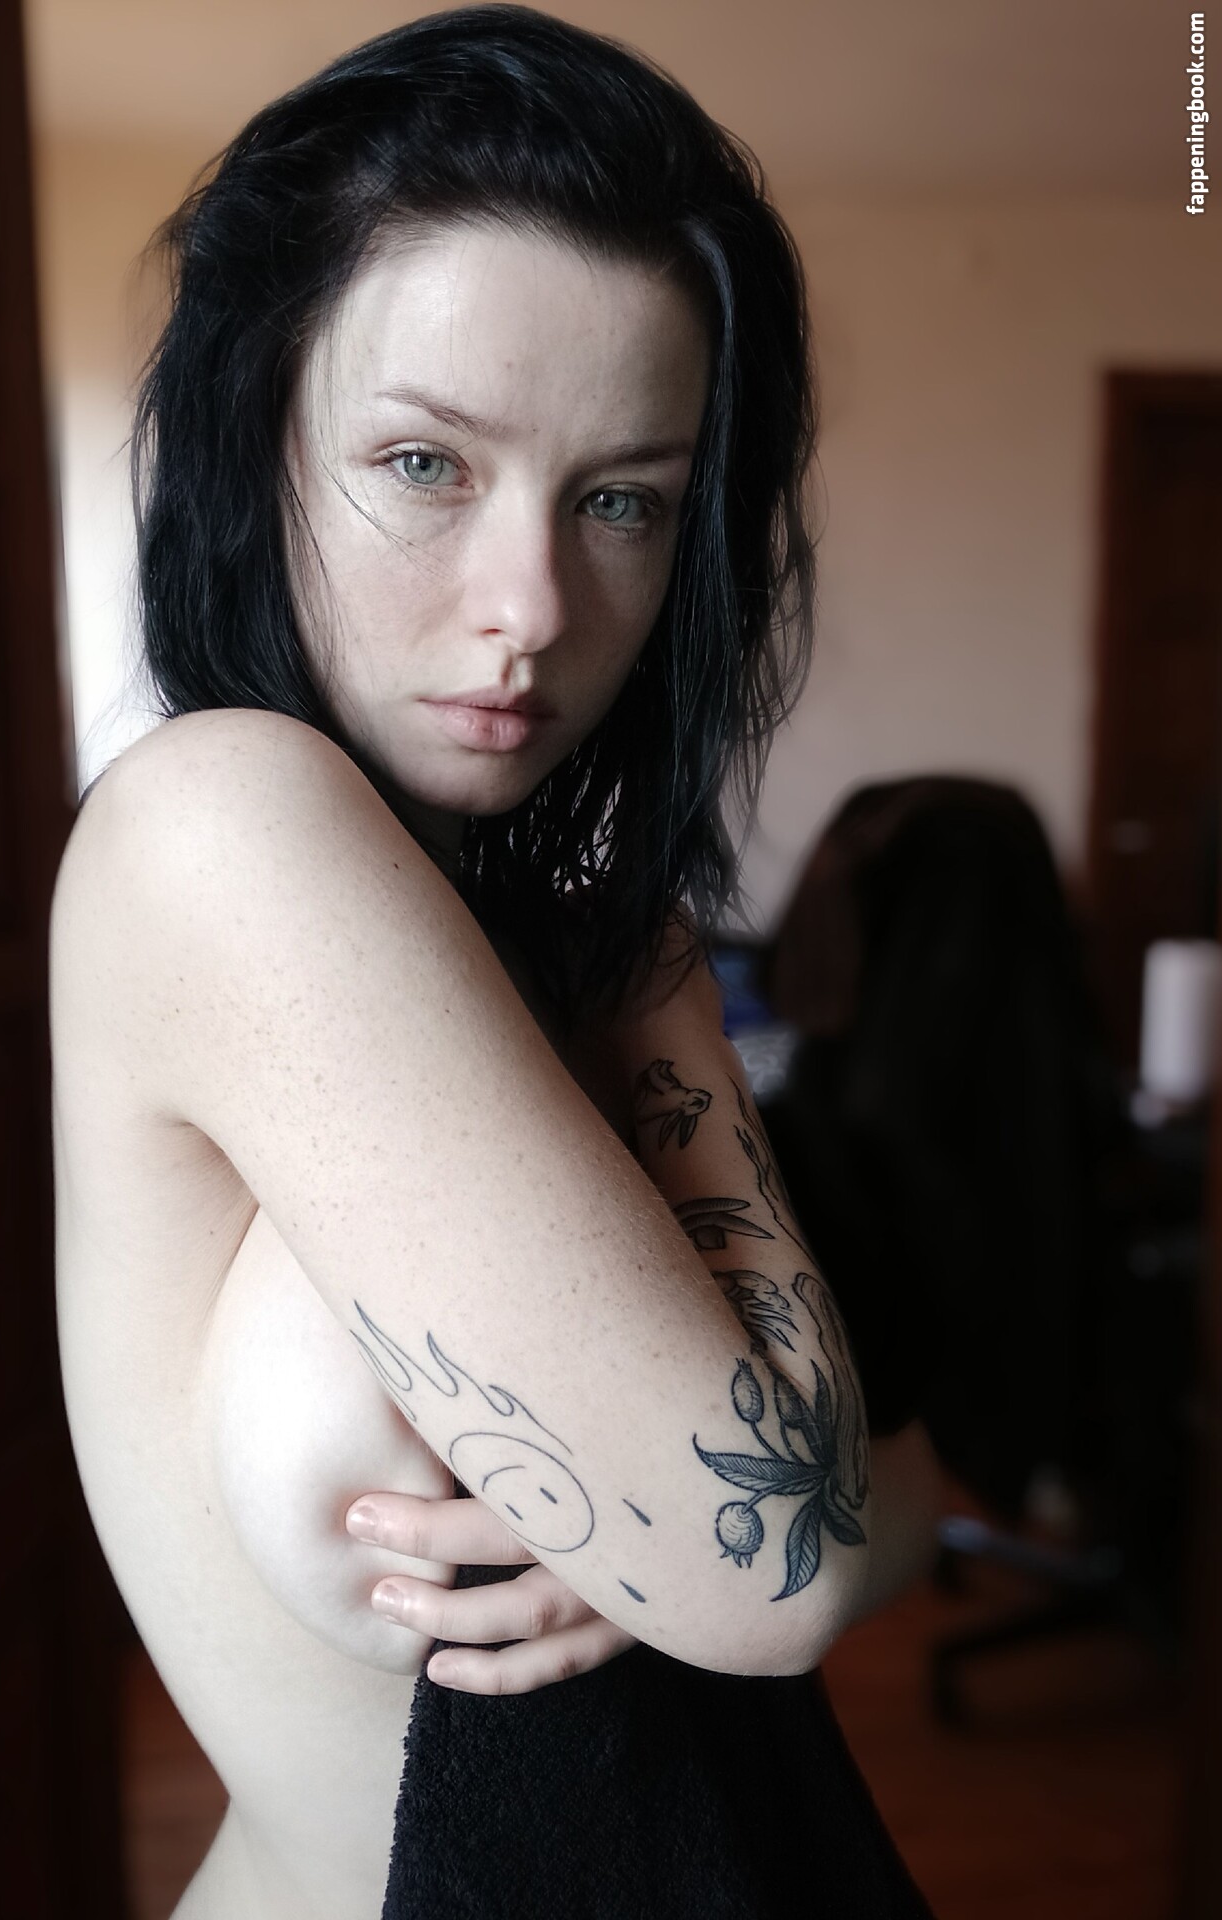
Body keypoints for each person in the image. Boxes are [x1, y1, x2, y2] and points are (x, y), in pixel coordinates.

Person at [50, 7, 944, 1915]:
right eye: (423, 463)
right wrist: (659, 983)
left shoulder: (508, 927)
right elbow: (790, 1572)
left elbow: (890, 1502)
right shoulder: (220, 819)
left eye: (620, 500)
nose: (532, 606)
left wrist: (716, 1530)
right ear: (256, 447)